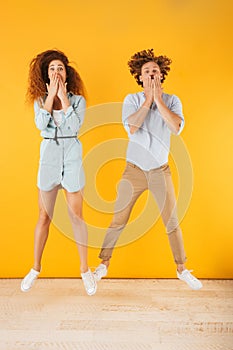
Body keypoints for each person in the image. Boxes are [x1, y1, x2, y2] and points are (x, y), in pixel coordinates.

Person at [93, 49, 202, 290]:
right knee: (118, 220)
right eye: (146, 72)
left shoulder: (173, 101)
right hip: (133, 170)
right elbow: (132, 127)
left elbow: (175, 127)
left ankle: (182, 269)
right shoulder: (131, 99)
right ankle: (103, 264)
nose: (151, 74)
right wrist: (148, 100)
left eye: (155, 71)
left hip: (159, 171)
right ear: (139, 77)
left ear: (162, 75)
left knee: (172, 221)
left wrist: (159, 100)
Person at [21, 49, 96, 296]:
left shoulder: (78, 101)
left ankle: (85, 270)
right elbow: (41, 125)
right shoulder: (39, 101)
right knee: (44, 216)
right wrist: (51, 97)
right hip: (49, 158)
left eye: (60, 68)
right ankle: (35, 268)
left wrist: (64, 100)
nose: (56, 72)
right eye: (52, 68)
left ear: (67, 73)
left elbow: (74, 126)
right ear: (46, 73)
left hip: (72, 156)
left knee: (77, 215)